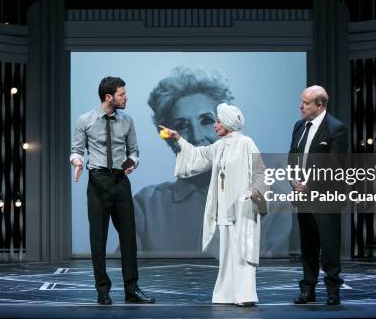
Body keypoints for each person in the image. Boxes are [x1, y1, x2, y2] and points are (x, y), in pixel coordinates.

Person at [133, 67, 295, 257]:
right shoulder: (147, 206)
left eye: (206, 120)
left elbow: (272, 280)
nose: (196, 136)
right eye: (182, 125)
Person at [162, 103, 268, 306]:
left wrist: (256, 192)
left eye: (217, 121)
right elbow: (197, 156)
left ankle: (244, 295)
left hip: (243, 207)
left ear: (228, 123)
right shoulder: (219, 146)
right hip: (224, 208)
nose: (215, 125)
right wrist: (178, 139)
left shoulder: (246, 143)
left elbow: (260, 171)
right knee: (227, 252)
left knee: (242, 250)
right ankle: (227, 294)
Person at [70, 77, 154, 305]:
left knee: (128, 236)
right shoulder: (85, 120)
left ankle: (132, 289)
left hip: (120, 181)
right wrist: (77, 162)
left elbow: (134, 151)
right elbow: (76, 150)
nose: (126, 97)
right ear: (109, 97)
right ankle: (102, 290)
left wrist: (131, 163)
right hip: (97, 181)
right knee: (98, 239)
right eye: (121, 94)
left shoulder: (127, 120)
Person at [288, 85, 347, 306]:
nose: (300, 105)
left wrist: (309, 184)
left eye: (305, 102)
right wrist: (293, 180)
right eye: (301, 100)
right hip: (302, 196)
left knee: (329, 246)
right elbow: (293, 155)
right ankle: (308, 289)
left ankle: (332, 290)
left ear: (319, 105)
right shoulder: (299, 126)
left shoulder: (336, 128)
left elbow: (334, 165)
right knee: (308, 245)